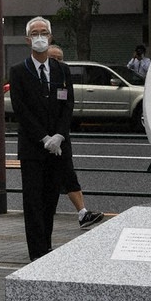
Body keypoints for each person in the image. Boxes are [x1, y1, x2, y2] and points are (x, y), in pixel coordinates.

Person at [9, 17, 75, 261]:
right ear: (28, 40)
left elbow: (68, 105)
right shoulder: (18, 71)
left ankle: (46, 246)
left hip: (58, 147)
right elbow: (21, 109)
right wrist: (43, 137)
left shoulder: (62, 70)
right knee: (33, 201)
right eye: (35, 33)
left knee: (51, 199)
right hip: (32, 148)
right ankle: (36, 252)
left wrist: (59, 135)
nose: (40, 37)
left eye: (44, 32)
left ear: (50, 37)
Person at [47, 44, 104, 229]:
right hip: (42, 138)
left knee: (68, 173)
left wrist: (60, 134)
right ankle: (47, 214)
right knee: (49, 179)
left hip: (61, 136)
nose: (57, 62)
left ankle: (82, 213)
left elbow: (68, 104)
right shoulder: (38, 77)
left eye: (60, 58)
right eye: (53, 58)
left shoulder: (64, 75)